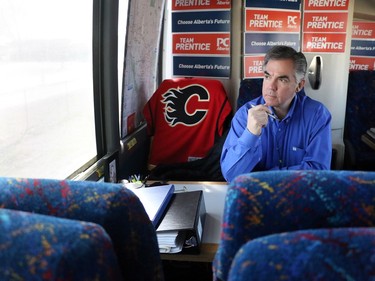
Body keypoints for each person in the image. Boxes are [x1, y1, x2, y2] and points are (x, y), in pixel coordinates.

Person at [221, 45, 332, 182]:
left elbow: (318, 173)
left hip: (298, 196)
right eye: (267, 77)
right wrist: (250, 134)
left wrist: (262, 178)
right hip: (256, 198)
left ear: (299, 85)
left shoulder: (317, 115)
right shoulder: (245, 115)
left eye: (282, 79)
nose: (271, 86)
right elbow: (231, 176)